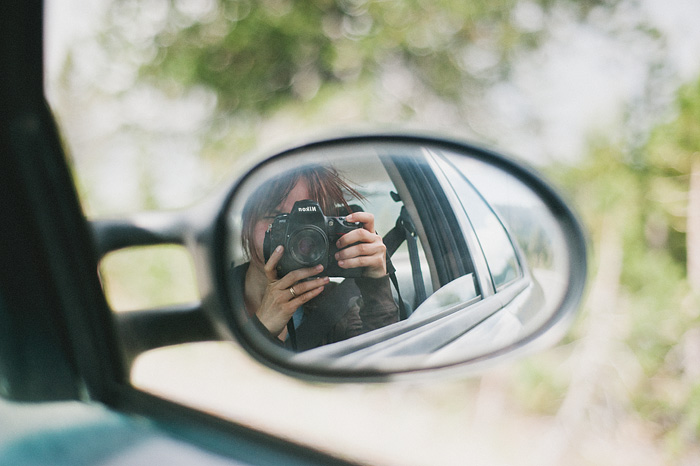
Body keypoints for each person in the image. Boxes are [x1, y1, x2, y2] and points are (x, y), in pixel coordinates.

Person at [230, 164, 399, 351]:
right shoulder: (219, 298)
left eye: (307, 222)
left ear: (328, 230)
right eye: (275, 217)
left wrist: (375, 285)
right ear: (246, 226)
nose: (295, 234)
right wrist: (262, 330)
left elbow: (379, 361)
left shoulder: (337, 308)